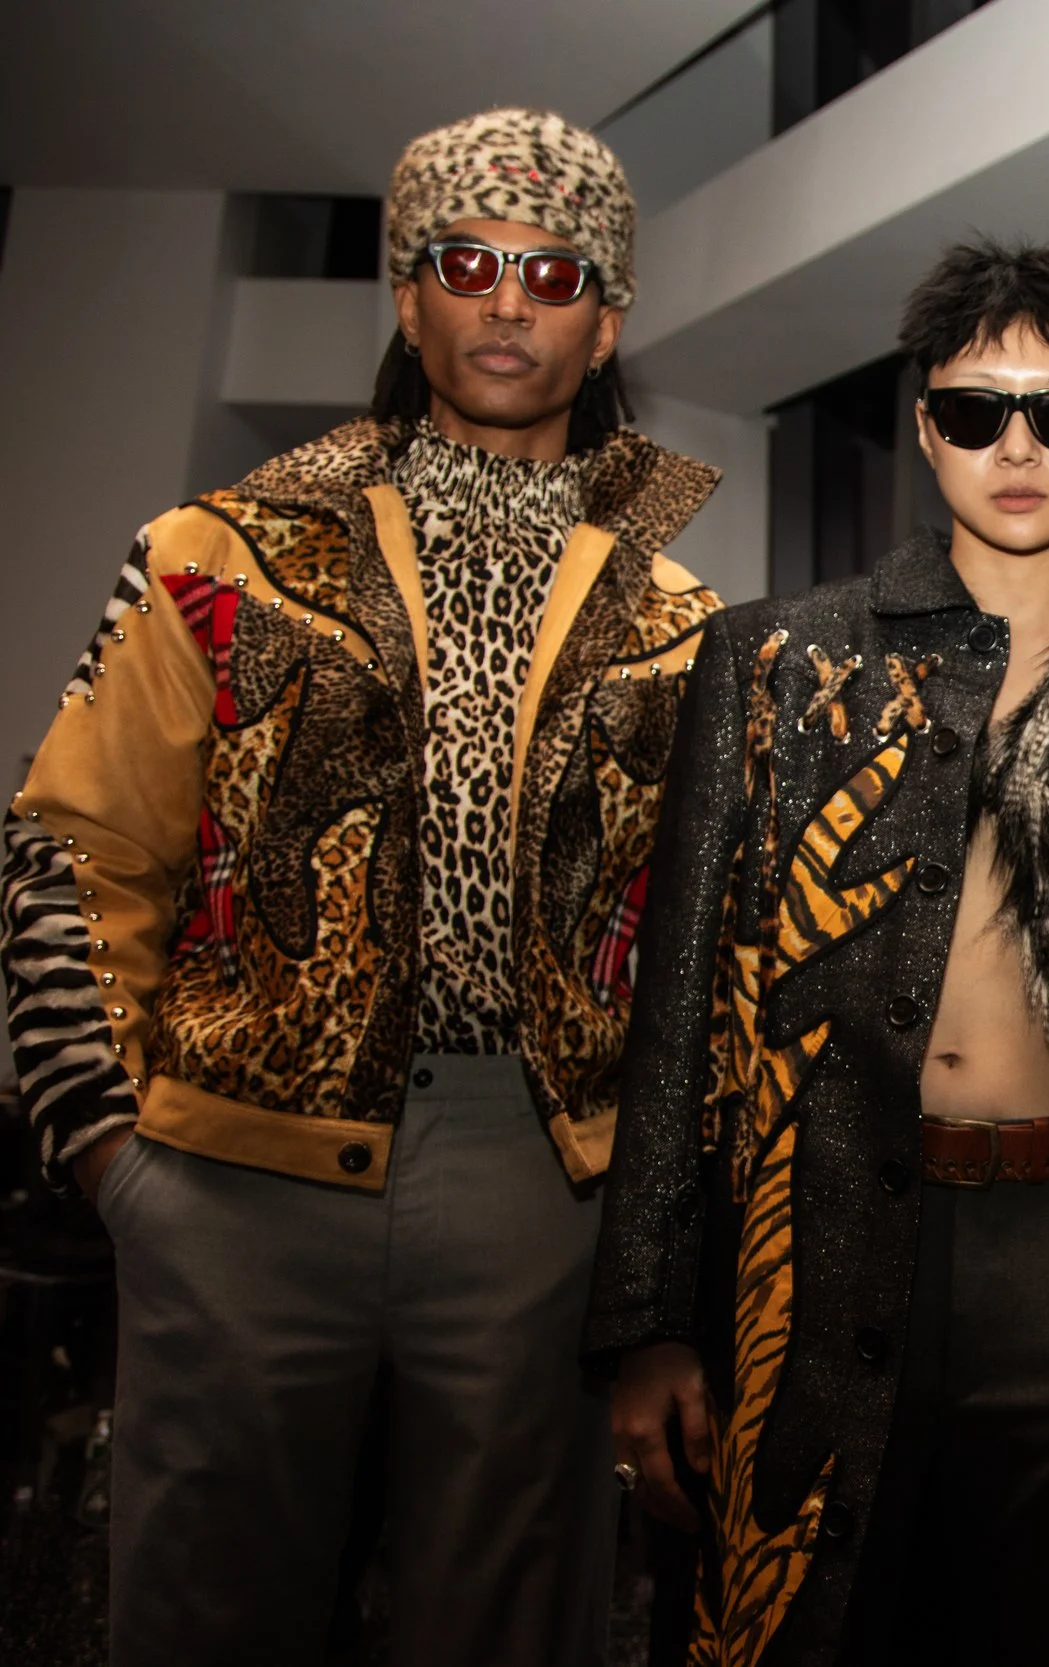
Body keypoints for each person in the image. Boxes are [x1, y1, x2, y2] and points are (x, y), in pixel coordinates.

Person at [0, 109, 721, 1664]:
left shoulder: (683, 619)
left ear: (607, 320)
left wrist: (648, 1238)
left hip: (541, 1178)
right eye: (469, 263)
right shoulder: (224, 549)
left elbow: (695, 954)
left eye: (554, 270)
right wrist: (117, 1162)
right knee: (202, 1609)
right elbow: (70, 850)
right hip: (230, 1165)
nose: (510, 299)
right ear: (410, 298)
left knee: (511, 1621)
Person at [587, 237, 1049, 1666]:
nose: (1018, 446)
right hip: (818, 1238)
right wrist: (648, 1319)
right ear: (925, 427)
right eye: (976, 410)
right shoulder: (775, 663)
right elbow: (680, 1005)